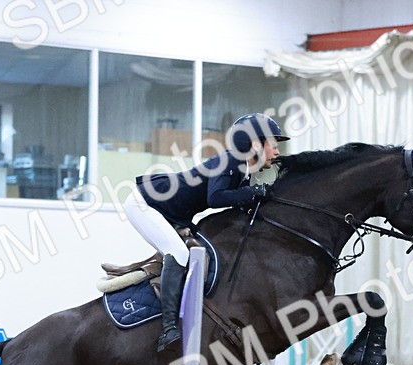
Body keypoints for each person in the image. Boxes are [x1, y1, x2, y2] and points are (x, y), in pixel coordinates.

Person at [124, 113, 290, 352]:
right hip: (145, 203)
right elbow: (216, 198)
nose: (276, 152)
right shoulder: (231, 161)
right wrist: (252, 193)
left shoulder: (243, 169)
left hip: (168, 210)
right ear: (254, 144)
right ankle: (168, 328)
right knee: (178, 253)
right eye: (272, 145)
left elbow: (239, 205)